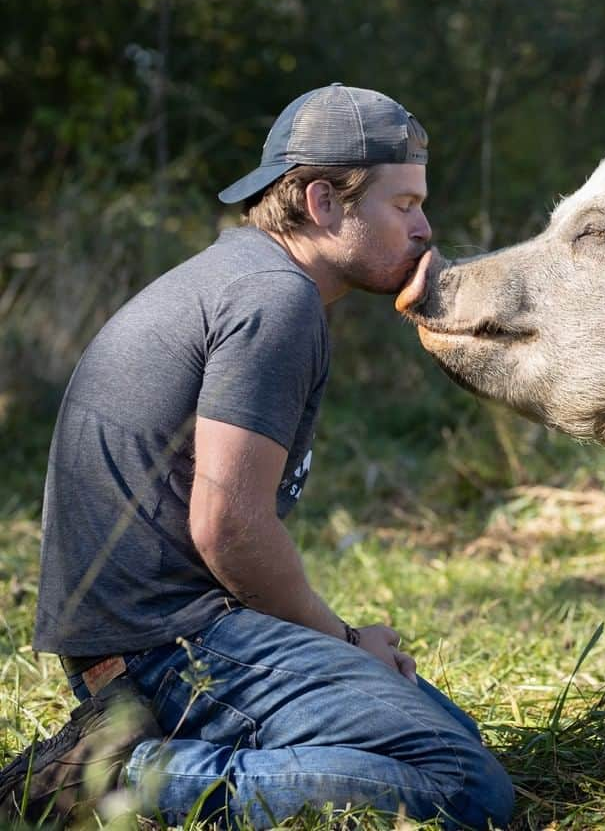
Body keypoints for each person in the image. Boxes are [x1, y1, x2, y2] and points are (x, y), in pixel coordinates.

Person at [0, 84, 515, 829]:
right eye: (404, 205)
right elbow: (229, 528)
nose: (425, 229)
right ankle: (108, 779)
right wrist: (343, 641)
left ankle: (141, 756)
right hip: (163, 651)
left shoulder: (244, 276)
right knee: (463, 788)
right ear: (321, 202)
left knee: (452, 743)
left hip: (150, 641)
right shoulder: (277, 300)